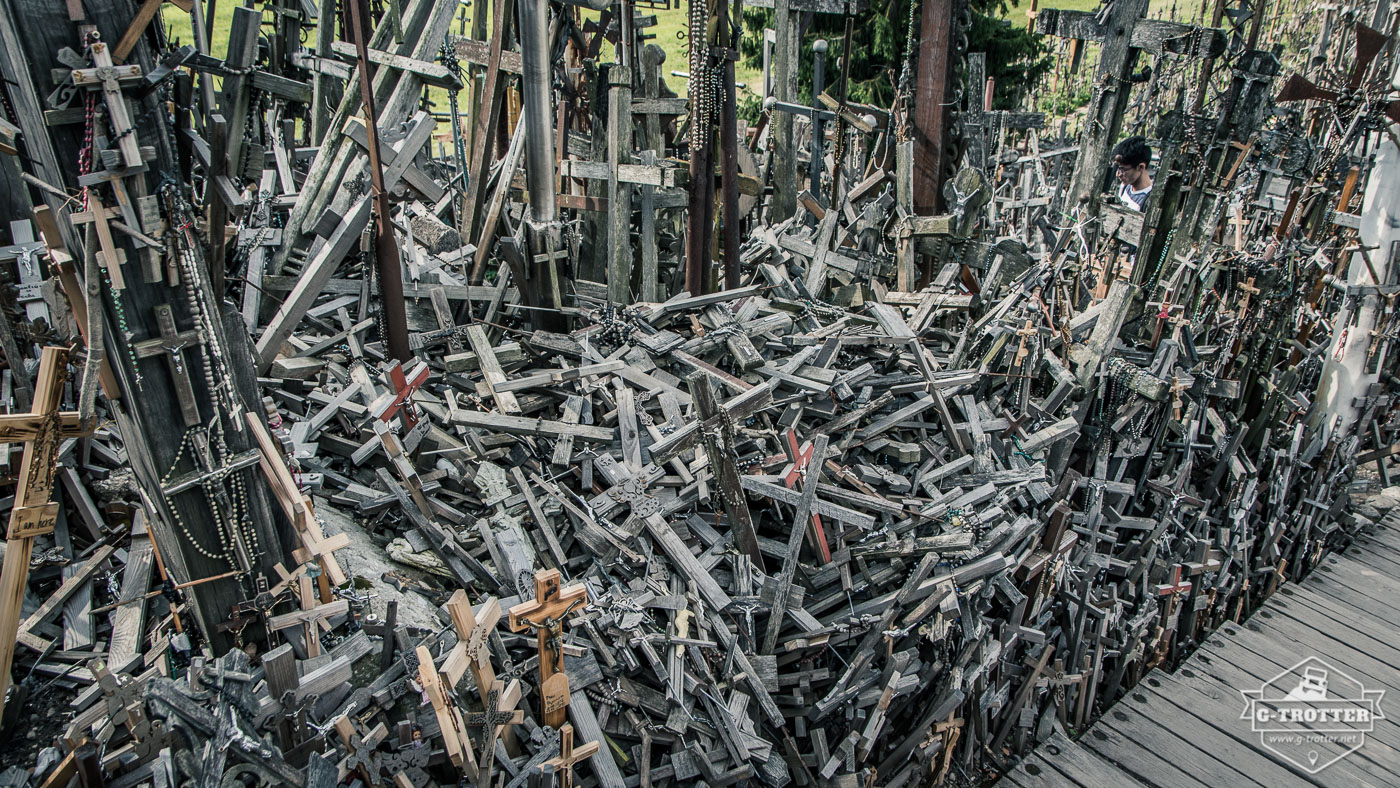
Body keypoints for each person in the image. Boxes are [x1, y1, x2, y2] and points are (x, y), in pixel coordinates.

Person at [1111, 136, 1154, 212]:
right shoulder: (1125, 187)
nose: (1118, 174)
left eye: (1122, 169)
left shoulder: (1148, 201)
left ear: (1140, 167)